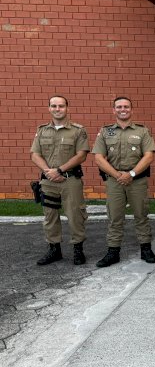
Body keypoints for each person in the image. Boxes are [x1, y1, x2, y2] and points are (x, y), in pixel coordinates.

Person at [93, 97, 155, 266]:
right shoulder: (105, 132)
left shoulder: (142, 131)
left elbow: (149, 156)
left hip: (137, 180)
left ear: (131, 109)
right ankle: (113, 251)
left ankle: (146, 249)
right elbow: (99, 158)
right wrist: (117, 175)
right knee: (115, 217)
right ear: (113, 110)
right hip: (114, 181)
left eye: (126, 107)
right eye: (119, 107)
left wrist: (131, 174)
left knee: (141, 215)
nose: (123, 109)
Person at [30, 95, 89, 266]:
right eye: (54, 106)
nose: (57, 109)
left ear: (67, 108)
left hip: (70, 180)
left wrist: (59, 170)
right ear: (49, 108)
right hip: (48, 181)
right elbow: (35, 154)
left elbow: (81, 155)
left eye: (61, 106)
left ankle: (78, 249)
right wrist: (48, 172)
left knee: (75, 215)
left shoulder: (78, 130)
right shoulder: (42, 130)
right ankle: (54, 250)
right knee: (50, 216)